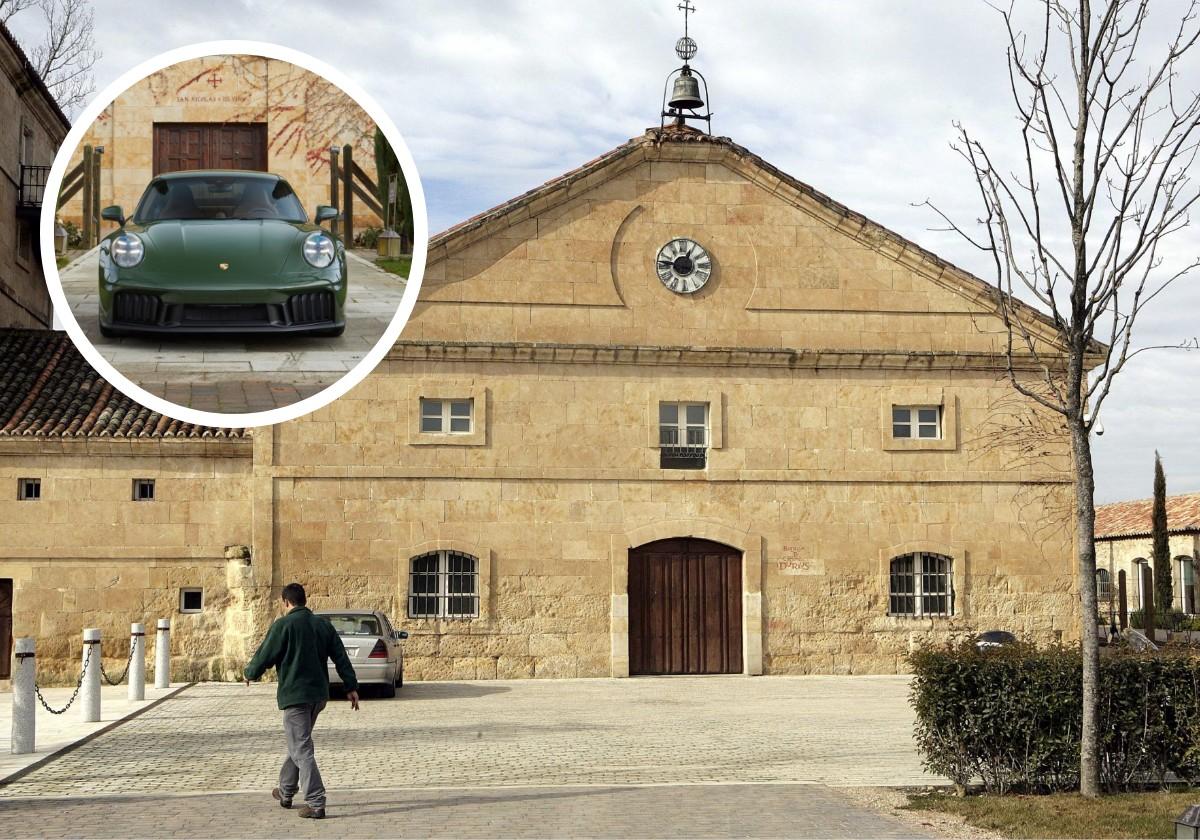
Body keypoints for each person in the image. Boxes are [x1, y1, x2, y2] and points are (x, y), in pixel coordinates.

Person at [244, 582, 360, 820]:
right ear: (304, 601)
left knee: (301, 748)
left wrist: (250, 673)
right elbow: (341, 657)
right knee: (298, 744)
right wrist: (351, 687)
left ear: (286, 602)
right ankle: (286, 792)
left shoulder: (283, 625)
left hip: (295, 697)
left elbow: (265, 654)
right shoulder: (322, 625)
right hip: (318, 696)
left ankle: (316, 802)